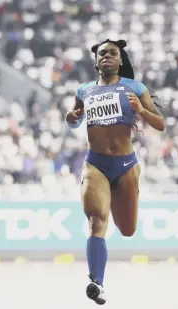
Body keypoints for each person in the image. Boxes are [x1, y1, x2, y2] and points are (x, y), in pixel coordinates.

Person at [65, 39, 164, 305]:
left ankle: (98, 276)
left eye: (112, 53)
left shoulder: (134, 87)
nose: (107, 56)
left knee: (128, 229)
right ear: (95, 61)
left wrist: (141, 109)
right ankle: (96, 282)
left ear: (120, 60)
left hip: (126, 166)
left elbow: (160, 123)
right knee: (97, 222)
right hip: (95, 164)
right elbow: (75, 119)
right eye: (102, 53)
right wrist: (71, 118)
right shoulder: (84, 90)